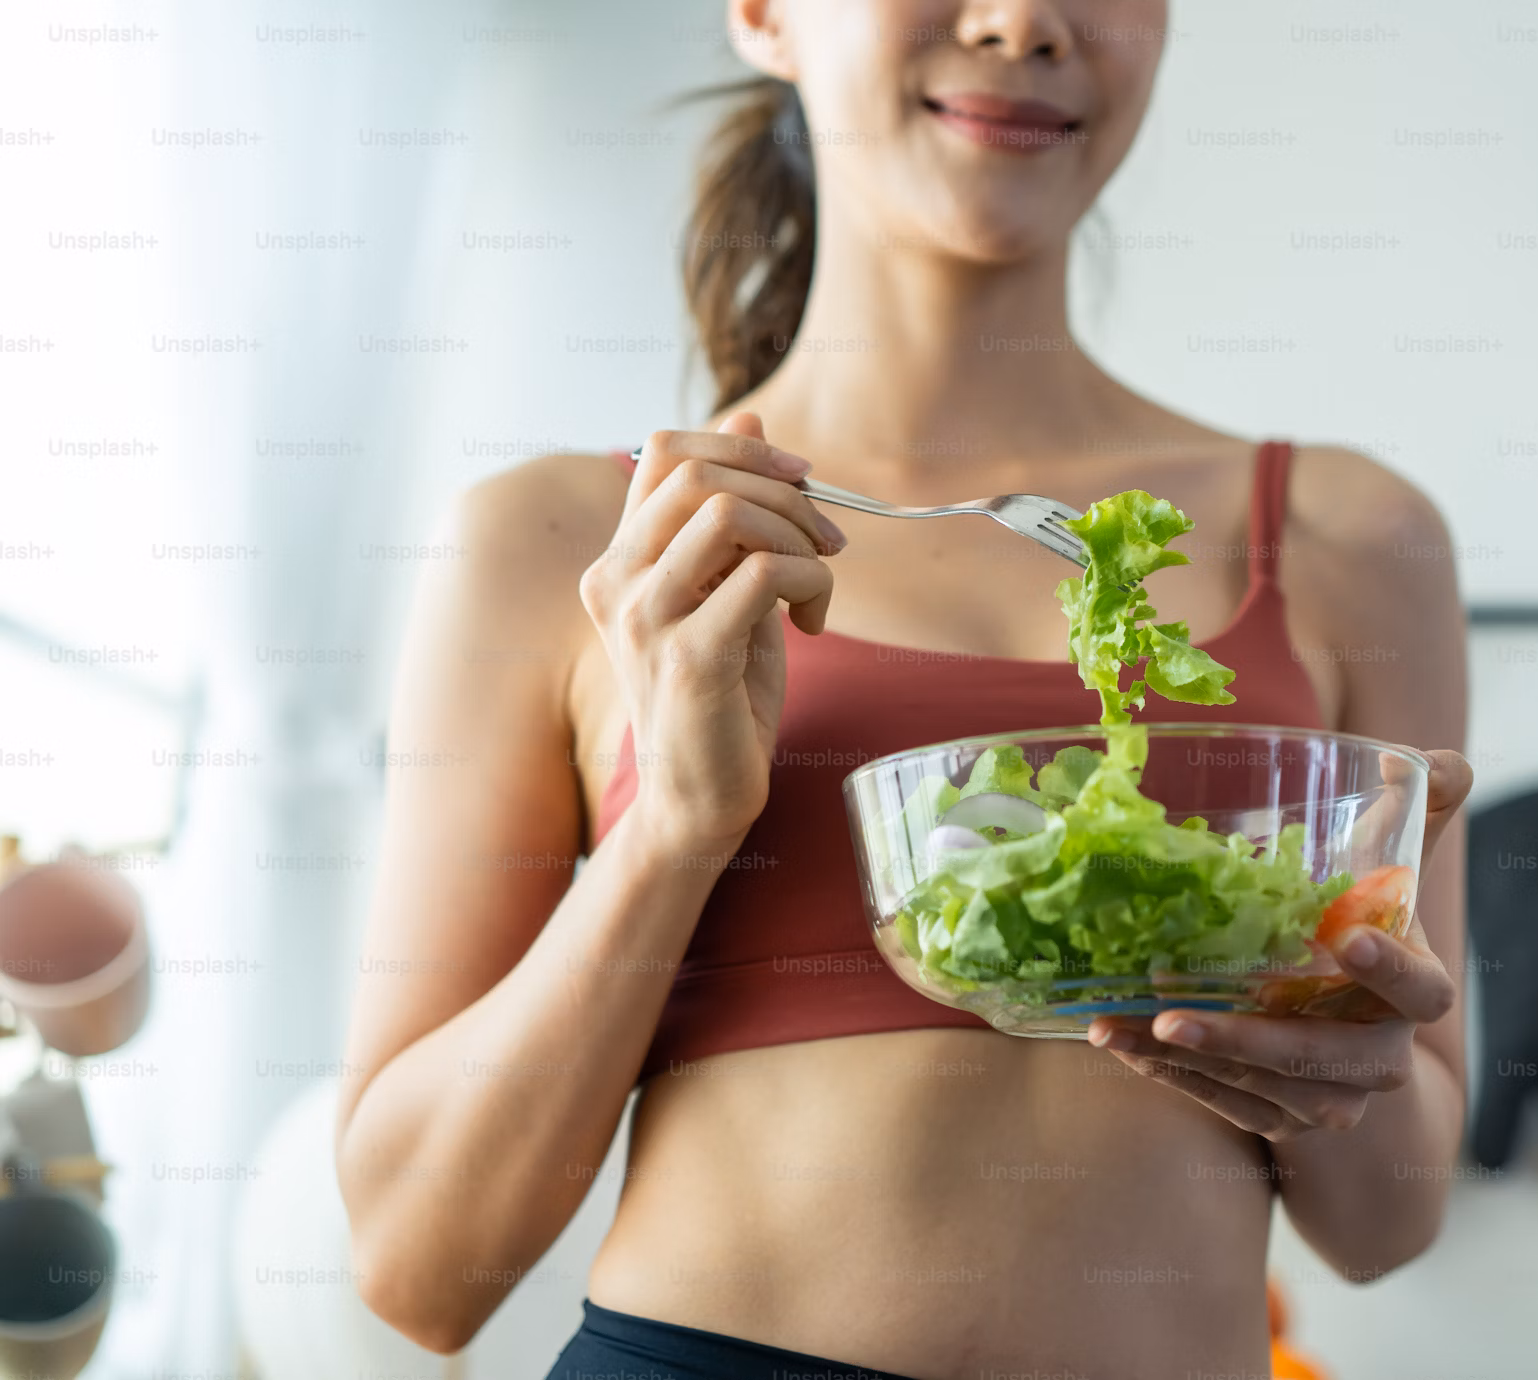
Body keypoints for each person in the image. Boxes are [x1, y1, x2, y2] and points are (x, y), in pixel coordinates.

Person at [335, 2, 1472, 1375]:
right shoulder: (567, 542)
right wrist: (673, 830)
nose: (1022, 20)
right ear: (762, 15)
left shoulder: (1352, 540)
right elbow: (418, 1267)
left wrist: (1334, 1047)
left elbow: (1384, 1227)